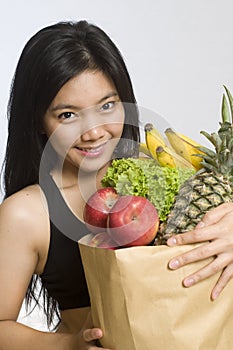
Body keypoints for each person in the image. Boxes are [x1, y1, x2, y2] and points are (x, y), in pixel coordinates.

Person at [1, 19, 233, 350]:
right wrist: (69, 345)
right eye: (68, 115)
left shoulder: (164, 174)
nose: (94, 131)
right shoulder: (27, 214)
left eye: (107, 106)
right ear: (39, 119)